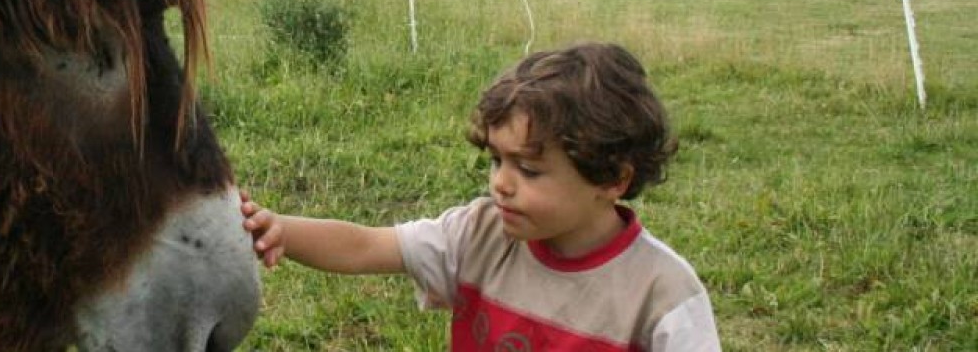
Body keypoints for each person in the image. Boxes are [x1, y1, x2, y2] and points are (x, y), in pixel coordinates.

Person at [241, 42, 720, 351]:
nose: (501, 184)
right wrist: (282, 228)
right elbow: (368, 245)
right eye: (497, 161)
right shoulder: (480, 234)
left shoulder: (663, 294)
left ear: (613, 178)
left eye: (528, 170)